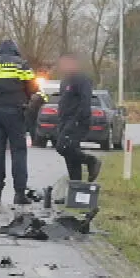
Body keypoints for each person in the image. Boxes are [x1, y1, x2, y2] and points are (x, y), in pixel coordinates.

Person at [0, 38, 39, 205]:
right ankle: (19, 194)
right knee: (18, 152)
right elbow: (33, 88)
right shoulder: (22, 65)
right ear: (15, 50)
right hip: (16, 112)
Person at [52, 52, 102, 184]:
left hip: (77, 121)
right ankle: (75, 185)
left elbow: (85, 102)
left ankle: (91, 161)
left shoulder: (82, 79)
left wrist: (76, 121)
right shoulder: (65, 81)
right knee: (69, 152)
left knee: (63, 147)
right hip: (64, 121)